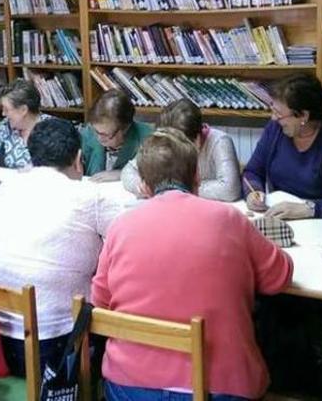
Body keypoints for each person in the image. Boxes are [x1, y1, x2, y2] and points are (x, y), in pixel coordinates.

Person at [93, 128, 294, 401]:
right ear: (197, 177)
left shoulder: (121, 226)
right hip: (222, 385)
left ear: (144, 185)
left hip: (130, 384)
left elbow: (101, 301)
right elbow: (279, 277)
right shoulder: (229, 219)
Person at [0, 118, 124, 375]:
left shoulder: (8, 188)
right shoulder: (90, 196)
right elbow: (128, 238)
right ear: (78, 157)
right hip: (56, 348)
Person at [242, 74, 322, 219]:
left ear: (303, 116)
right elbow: (251, 172)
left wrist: (310, 209)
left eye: (279, 113)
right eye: (273, 109)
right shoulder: (275, 129)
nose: (273, 118)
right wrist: (253, 192)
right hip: (280, 217)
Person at [121, 99, 241, 201]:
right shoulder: (164, 141)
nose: (173, 153)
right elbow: (128, 170)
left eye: (179, 147)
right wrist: (141, 186)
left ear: (197, 139)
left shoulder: (219, 141)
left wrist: (176, 189)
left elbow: (230, 189)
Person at [0, 79, 51, 169]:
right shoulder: (6, 127)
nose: (3, 114)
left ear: (23, 110)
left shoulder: (54, 128)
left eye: (6, 109)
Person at [80, 90, 152, 181]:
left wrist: (123, 174)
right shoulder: (88, 133)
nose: (99, 138)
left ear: (126, 128)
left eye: (105, 134)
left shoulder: (149, 139)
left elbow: (157, 175)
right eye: (96, 131)